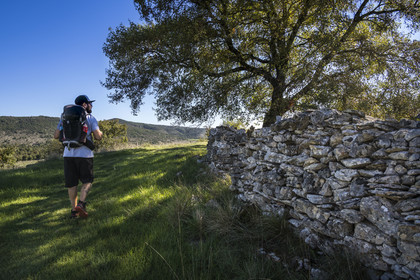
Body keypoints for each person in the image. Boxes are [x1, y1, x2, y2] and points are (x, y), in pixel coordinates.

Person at [54, 95, 103, 219]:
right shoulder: (90, 118)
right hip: (85, 154)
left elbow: (56, 135)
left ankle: (73, 211)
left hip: (68, 154)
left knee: (72, 184)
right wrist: (99, 132)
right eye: (90, 103)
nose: (92, 106)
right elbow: (98, 136)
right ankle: (81, 204)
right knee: (87, 181)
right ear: (85, 105)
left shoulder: (64, 117)